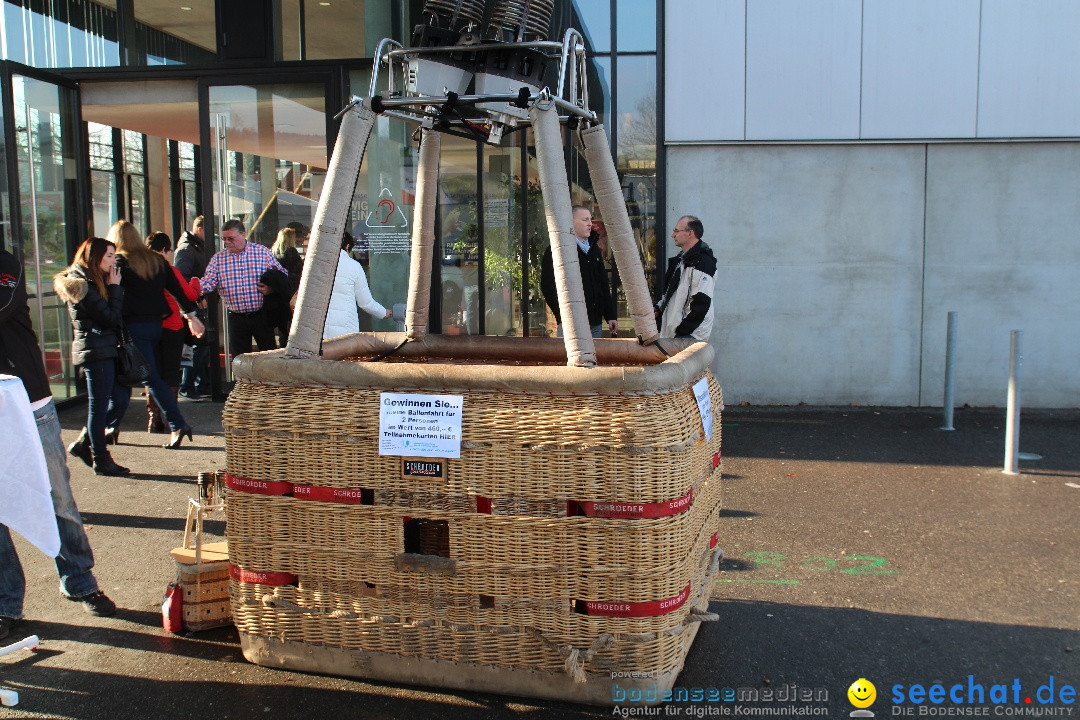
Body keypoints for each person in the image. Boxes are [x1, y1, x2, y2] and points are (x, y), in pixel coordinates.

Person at [1, 247, 117, 640]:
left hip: (30, 403)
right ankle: (5, 602)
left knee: (57, 497)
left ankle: (80, 579)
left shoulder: (6, 263)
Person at [107, 220, 205, 449]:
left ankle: (176, 423)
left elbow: (114, 294)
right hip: (156, 326)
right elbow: (179, 291)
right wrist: (192, 317)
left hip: (132, 328)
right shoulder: (154, 261)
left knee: (147, 377)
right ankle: (109, 426)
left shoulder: (120, 263)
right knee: (143, 376)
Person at [52, 237, 130, 476]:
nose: (113, 261)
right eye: (108, 256)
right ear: (94, 257)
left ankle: (86, 442)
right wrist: (115, 288)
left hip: (104, 347)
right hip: (95, 350)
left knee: (119, 397)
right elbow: (109, 317)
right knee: (99, 406)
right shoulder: (82, 285)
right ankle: (101, 457)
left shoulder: (94, 280)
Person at [199, 219, 286, 360]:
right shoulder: (218, 259)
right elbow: (208, 283)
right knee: (240, 361)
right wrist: (191, 289)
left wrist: (271, 288)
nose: (227, 242)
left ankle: (268, 382)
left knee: (269, 357)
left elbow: (282, 275)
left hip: (261, 315)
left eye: (231, 238)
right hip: (236, 317)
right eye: (224, 239)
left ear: (243, 234)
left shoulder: (261, 252)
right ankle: (244, 383)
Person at [146, 232, 200, 432]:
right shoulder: (169, 270)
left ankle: (154, 418)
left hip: (150, 327)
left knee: (152, 373)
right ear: (164, 250)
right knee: (171, 374)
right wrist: (195, 281)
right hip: (172, 327)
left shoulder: (142, 272)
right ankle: (171, 419)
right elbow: (189, 294)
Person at [540, 205, 618, 338]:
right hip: (571, 325)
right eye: (585, 219)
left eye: (590, 219)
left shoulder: (594, 248)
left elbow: (603, 284)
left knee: (593, 358)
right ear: (571, 222)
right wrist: (562, 316)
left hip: (595, 323)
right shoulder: (557, 249)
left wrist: (610, 316)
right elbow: (548, 286)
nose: (590, 224)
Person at [656, 215, 716, 341]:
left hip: (689, 335)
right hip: (675, 333)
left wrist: (682, 331)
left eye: (677, 231)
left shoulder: (703, 262)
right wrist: (658, 308)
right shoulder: (680, 261)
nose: (673, 235)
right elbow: (670, 294)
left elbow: (702, 302)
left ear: (690, 233)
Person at [323, 232, 391, 339]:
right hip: (345, 331)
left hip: (320, 330)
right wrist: (383, 312)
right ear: (347, 246)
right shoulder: (354, 266)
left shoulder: (318, 265)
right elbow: (365, 302)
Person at [174, 216, 210, 401]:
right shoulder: (188, 249)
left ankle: (201, 384)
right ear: (200, 230)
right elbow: (180, 279)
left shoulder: (196, 247)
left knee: (203, 345)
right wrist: (197, 297)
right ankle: (186, 386)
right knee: (199, 345)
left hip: (196, 302)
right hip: (193, 304)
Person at [256, 267, 293, 347]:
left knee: (269, 351)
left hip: (266, 312)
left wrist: (272, 287)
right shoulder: (222, 258)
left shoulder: (264, 254)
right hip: (235, 315)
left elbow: (283, 273)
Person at [270, 226, 303, 290]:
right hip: (290, 285)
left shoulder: (272, 251)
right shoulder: (291, 251)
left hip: (277, 285)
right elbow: (299, 269)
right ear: (290, 239)